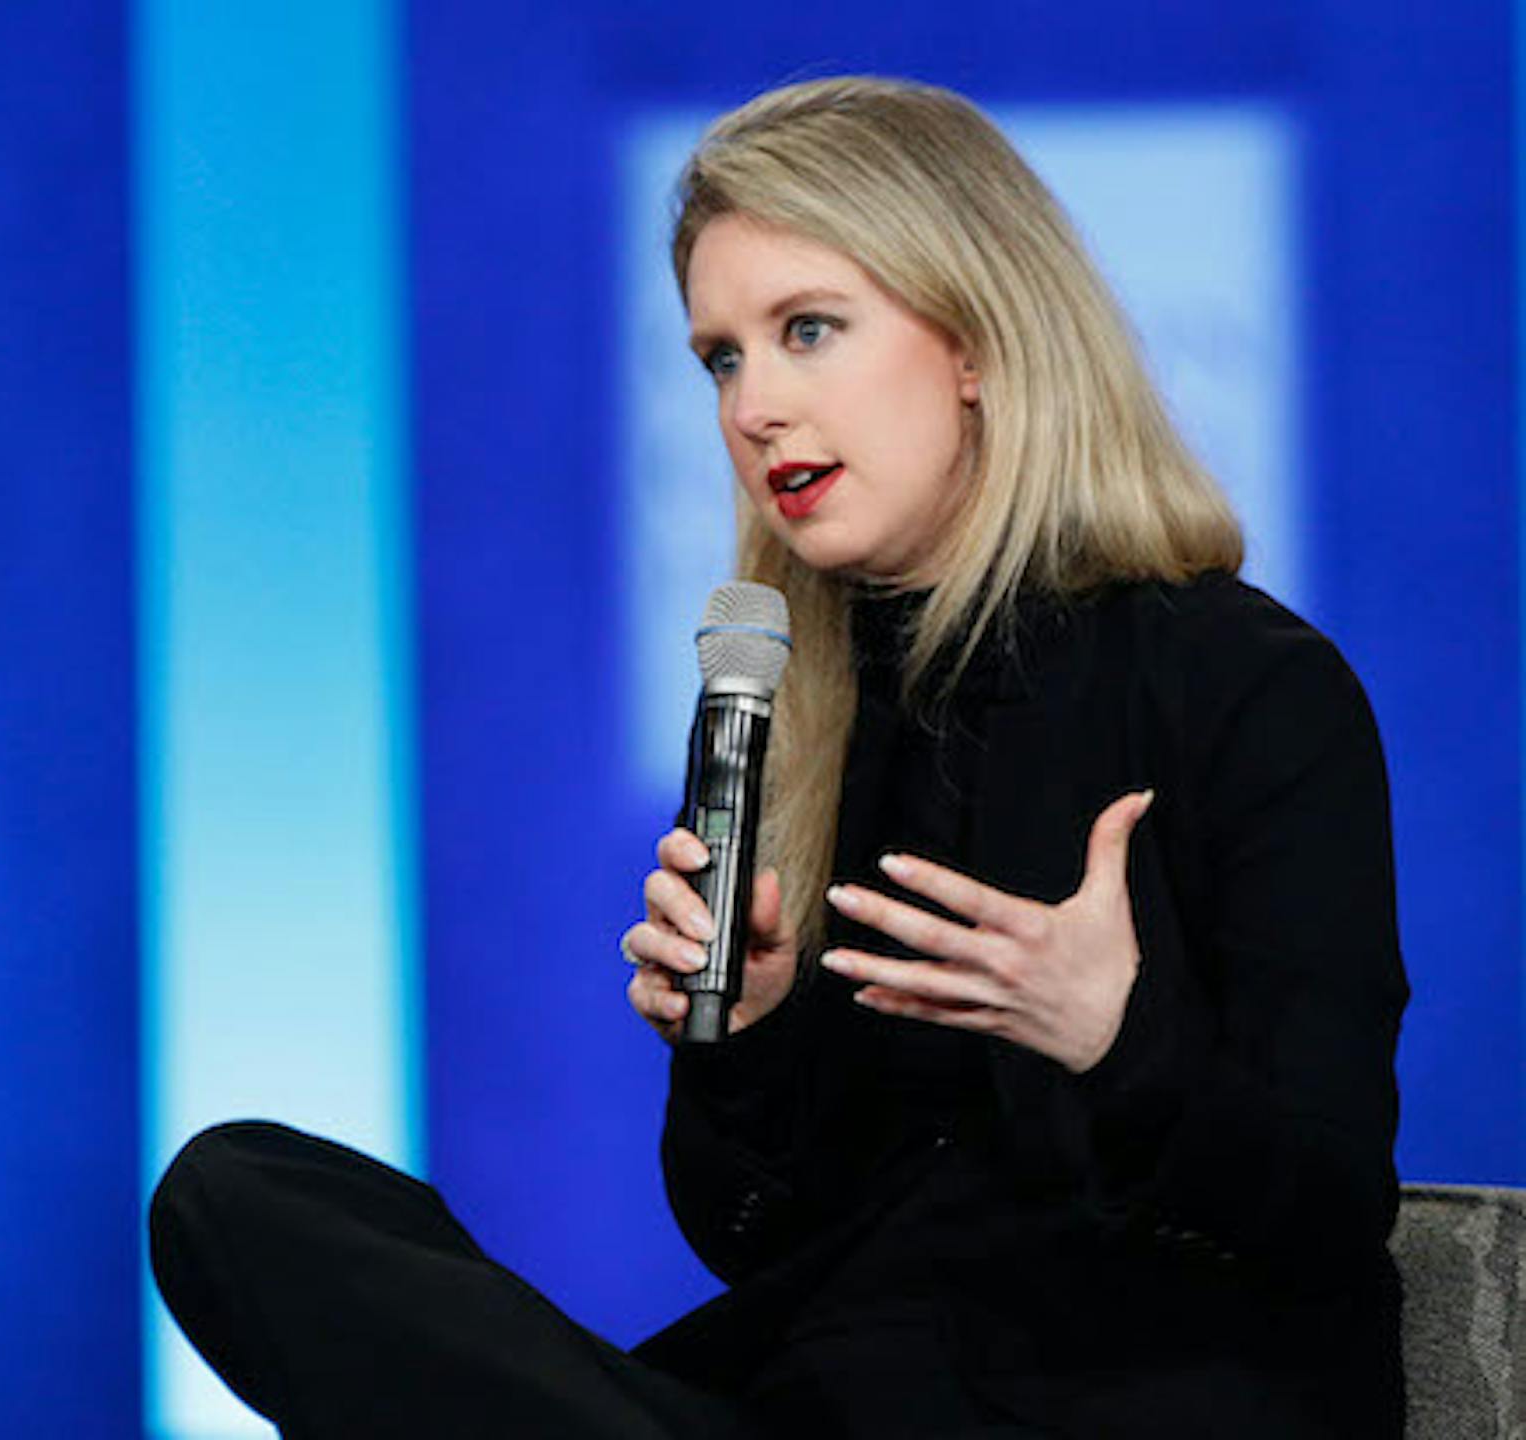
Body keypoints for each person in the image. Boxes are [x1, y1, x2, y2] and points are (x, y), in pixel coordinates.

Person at [149, 74, 1408, 1439]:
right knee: (238, 1193)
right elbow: (768, 1240)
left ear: (978, 338)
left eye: (809, 330)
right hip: (818, 1398)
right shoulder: (784, 709)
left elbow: (1326, 1215)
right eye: (722, 358)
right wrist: (745, 1043)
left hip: (1128, 1403)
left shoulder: (1247, 683)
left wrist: (1112, 1039)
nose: (754, 407)